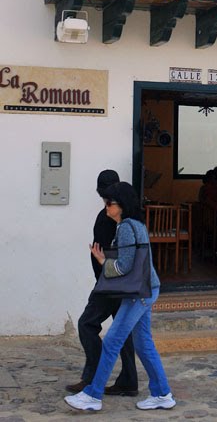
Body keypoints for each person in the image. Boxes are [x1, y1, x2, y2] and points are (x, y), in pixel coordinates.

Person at [64, 182, 176, 412]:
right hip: (147, 289)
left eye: (109, 203)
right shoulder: (137, 224)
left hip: (138, 293)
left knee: (113, 341)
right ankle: (162, 394)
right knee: (144, 345)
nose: (106, 206)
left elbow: (124, 266)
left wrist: (104, 261)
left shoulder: (125, 227)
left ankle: (93, 395)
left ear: (121, 205)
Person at [65, 170, 138, 397]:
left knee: (87, 324)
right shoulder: (131, 216)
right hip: (121, 283)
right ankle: (128, 380)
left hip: (109, 283)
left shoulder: (113, 217)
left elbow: (109, 253)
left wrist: (104, 276)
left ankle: (92, 378)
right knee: (123, 331)